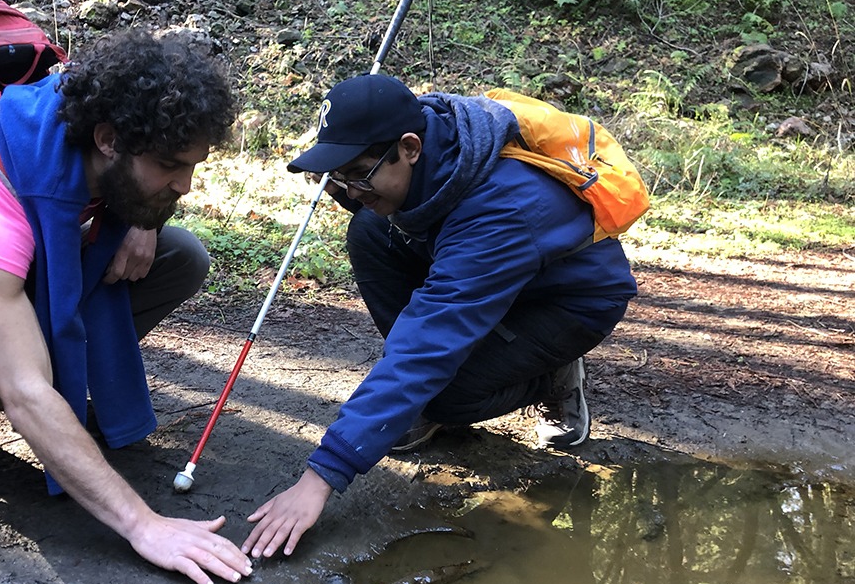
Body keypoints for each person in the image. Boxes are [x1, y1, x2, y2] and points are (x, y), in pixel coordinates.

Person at [0, 28, 253, 584]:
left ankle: (50, 370)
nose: (185, 185)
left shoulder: (87, 136)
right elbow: (24, 391)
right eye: (169, 165)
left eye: (193, 166)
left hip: (20, 248)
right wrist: (143, 525)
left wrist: (144, 219)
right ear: (108, 140)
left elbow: (132, 188)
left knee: (180, 254)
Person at [243, 74, 638, 559]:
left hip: (567, 302)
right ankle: (434, 388)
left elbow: (427, 344)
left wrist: (321, 476)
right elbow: (385, 209)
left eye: (358, 174)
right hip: (495, 273)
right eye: (338, 177)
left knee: (445, 394)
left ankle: (551, 378)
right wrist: (356, 183)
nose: (350, 190)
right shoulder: (435, 148)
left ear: (409, 148)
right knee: (371, 229)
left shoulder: (500, 209)